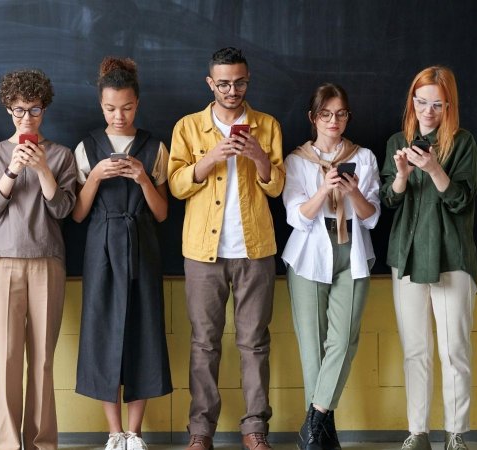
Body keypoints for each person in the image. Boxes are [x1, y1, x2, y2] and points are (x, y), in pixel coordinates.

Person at [167, 47, 285, 450]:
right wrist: (210, 159)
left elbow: (277, 187)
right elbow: (176, 185)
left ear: (248, 80)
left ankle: (255, 428)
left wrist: (259, 158)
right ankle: (201, 431)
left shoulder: (267, 125)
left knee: (255, 343)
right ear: (210, 83)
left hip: (255, 250)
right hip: (203, 252)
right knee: (204, 343)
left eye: (239, 83)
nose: (232, 91)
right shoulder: (188, 127)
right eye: (223, 84)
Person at [72, 57, 173, 450]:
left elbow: (162, 213)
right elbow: (78, 214)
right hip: (101, 247)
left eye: (127, 108)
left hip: (142, 245)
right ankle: (114, 432)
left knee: (143, 333)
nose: (119, 116)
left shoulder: (154, 147)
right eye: (111, 108)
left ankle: (135, 432)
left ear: (138, 104)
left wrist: (143, 178)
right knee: (102, 332)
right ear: (101, 105)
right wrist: (96, 176)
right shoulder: (86, 148)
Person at [0, 69, 77, 450]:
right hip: (3, 262)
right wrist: (13, 169)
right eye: (19, 110)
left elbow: (63, 209)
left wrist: (41, 168)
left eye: (34, 110)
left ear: (44, 109)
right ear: (8, 109)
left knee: (43, 361)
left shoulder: (61, 155)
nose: (27, 118)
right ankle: (6, 444)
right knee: (5, 360)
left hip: (48, 260)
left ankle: (41, 443)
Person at [381, 66, 477, 450]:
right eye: (421, 102)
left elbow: (461, 201)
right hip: (406, 255)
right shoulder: (397, 142)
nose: (427, 111)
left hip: (451, 255)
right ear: (412, 100)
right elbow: (389, 200)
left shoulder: (463, 143)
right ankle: (417, 432)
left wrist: (435, 168)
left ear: (449, 105)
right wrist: (403, 174)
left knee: (454, 350)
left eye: (437, 104)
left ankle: (455, 434)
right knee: (415, 351)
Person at [281, 84, 380, 450]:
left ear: (348, 117)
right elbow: (296, 217)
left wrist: (353, 191)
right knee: (313, 349)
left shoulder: (364, 157)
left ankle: (312, 424)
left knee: (344, 340)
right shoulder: (297, 160)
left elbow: (371, 218)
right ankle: (323, 434)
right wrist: (323, 189)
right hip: (309, 252)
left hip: (352, 249)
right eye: (326, 114)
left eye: (340, 114)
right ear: (313, 117)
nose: (333, 121)